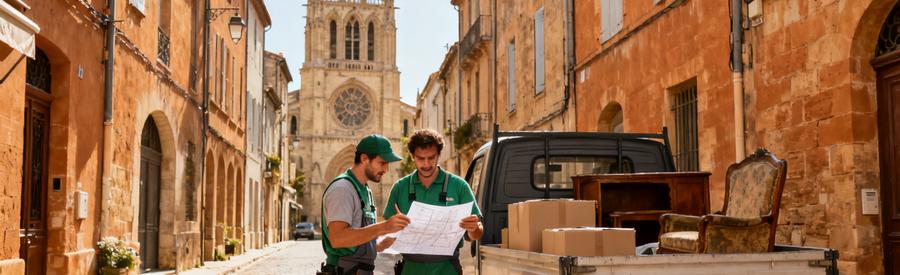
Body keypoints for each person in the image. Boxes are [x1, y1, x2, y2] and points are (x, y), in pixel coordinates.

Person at [379, 129, 483, 275]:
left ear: (439, 155)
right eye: (421, 158)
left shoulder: (459, 186)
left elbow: (476, 233)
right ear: (412, 156)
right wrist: (383, 240)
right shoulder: (399, 188)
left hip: (448, 269)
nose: (426, 164)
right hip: (410, 269)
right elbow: (386, 232)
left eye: (431, 158)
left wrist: (473, 228)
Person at [319, 135, 411, 275]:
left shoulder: (364, 189)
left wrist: (393, 235)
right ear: (364, 159)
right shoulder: (343, 189)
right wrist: (384, 227)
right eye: (382, 163)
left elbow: (362, 245)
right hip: (344, 270)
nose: (386, 169)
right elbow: (338, 238)